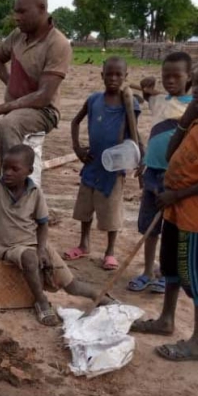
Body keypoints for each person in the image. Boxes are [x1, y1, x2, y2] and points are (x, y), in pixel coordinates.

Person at [0, 144, 115, 326]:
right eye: (5, 168)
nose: (8, 173)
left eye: (14, 169)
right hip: (10, 246)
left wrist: (42, 249)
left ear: (29, 171)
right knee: (29, 258)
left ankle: (102, 298)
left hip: (34, 242)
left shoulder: (35, 193)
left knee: (71, 285)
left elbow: (43, 224)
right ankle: (41, 302)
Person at [130, 74, 198, 361]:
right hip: (175, 207)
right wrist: (186, 118)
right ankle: (166, 320)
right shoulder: (193, 121)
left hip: (193, 214)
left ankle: (196, 342)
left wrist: (178, 195)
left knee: (194, 277)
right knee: (171, 266)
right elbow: (171, 155)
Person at [0, 0, 72, 166]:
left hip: (44, 111)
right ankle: (6, 180)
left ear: (42, 9)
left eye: (22, 12)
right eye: (15, 11)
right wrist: (11, 83)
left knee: (8, 125)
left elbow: (43, 97)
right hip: (19, 106)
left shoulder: (57, 43)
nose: (16, 17)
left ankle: (18, 185)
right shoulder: (18, 35)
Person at [65, 57, 141, 270]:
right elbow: (75, 121)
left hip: (114, 167)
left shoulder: (129, 102)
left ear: (126, 77)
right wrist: (77, 147)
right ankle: (83, 244)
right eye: (109, 74)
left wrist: (138, 157)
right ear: (102, 75)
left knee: (111, 211)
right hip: (92, 163)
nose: (113, 78)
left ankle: (110, 251)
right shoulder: (94, 100)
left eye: (118, 74)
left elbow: (134, 134)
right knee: (85, 208)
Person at [127, 52, 193, 294]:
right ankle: (147, 270)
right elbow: (148, 99)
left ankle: (166, 274)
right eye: (166, 76)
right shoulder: (160, 100)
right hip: (152, 172)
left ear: (189, 78)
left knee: (170, 229)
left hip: (175, 178)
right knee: (149, 228)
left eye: (177, 76)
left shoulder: (192, 106)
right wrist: (146, 88)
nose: (171, 80)